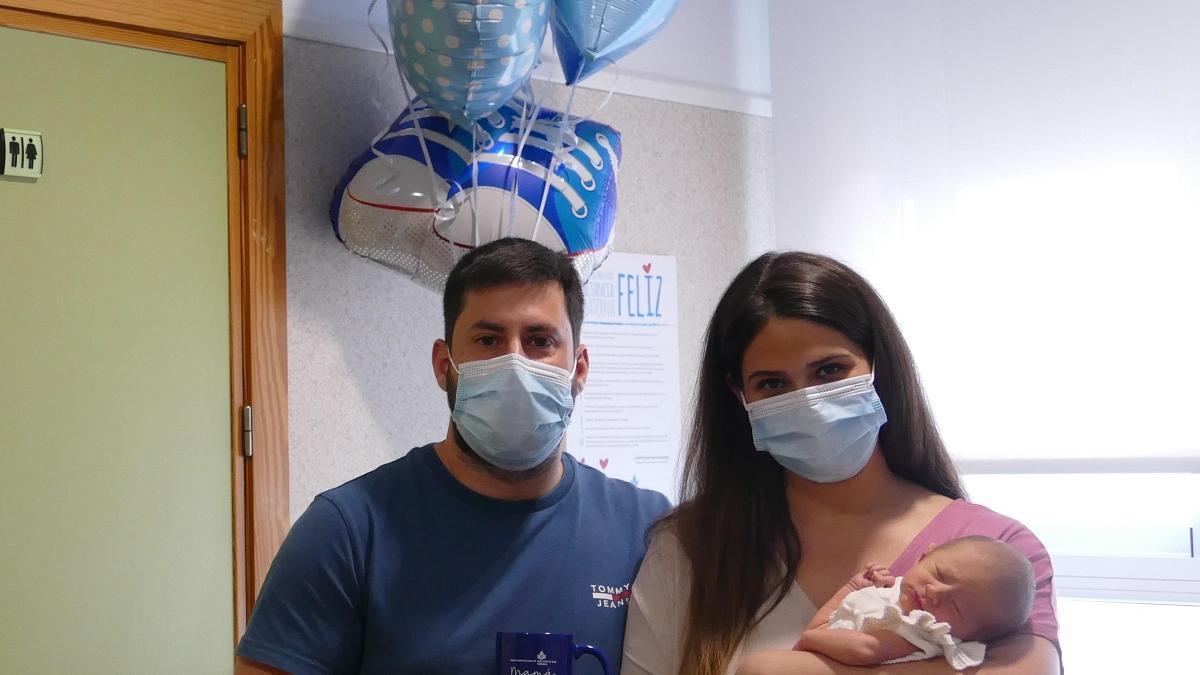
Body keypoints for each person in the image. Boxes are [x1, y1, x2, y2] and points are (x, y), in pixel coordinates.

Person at [237, 238, 671, 674]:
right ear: (444, 365)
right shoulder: (348, 531)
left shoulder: (650, 531)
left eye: (539, 340)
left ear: (578, 369)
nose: (514, 365)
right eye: (488, 339)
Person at [621, 251, 1060, 675]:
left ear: (879, 367)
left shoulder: (997, 556)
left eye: (830, 370)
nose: (807, 401)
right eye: (772, 383)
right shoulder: (688, 551)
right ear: (740, 397)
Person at [769, 536, 1034, 672]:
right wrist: (851, 590)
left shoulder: (922, 630)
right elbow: (824, 625)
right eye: (940, 574)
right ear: (924, 556)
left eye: (956, 607)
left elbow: (866, 650)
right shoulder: (889, 591)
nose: (935, 592)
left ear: (966, 634)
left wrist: (812, 639)